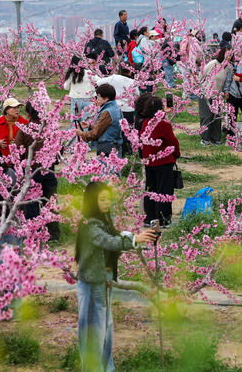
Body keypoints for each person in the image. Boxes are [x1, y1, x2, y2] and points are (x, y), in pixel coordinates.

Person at [75, 182, 157, 371]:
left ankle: (106, 367)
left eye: (108, 199)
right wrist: (134, 239)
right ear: (92, 201)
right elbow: (109, 241)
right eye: (102, 199)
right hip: (93, 284)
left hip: (102, 281)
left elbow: (113, 239)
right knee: (94, 330)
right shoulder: (89, 225)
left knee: (105, 327)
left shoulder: (101, 220)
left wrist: (132, 238)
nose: (107, 203)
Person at [14, 102, 60, 238]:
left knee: (32, 202)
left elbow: (17, 151)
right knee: (50, 200)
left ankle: (34, 234)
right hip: (48, 168)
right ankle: (53, 233)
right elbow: (59, 148)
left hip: (31, 170)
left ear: (28, 114)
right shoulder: (50, 129)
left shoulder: (25, 129)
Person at [139, 96, 181, 226]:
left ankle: (149, 218)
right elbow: (173, 142)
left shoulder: (146, 123)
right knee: (164, 191)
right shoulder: (164, 125)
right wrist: (176, 154)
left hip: (149, 162)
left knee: (151, 190)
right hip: (163, 163)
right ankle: (163, 220)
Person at [97, 68, 137, 156]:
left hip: (113, 108)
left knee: (112, 131)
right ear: (130, 71)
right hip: (127, 109)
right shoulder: (132, 82)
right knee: (126, 132)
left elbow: (98, 82)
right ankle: (126, 152)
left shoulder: (113, 78)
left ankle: (112, 153)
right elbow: (137, 95)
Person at [76, 84, 123, 157]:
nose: (97, 99)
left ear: (106, 98)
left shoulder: (107, 112)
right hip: (115, 144)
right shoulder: (116, 108)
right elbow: (107, 128)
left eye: (99, 96)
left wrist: (81, 134)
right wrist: (90, 126)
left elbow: (96, 133)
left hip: (107, 146)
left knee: (105, 164)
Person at [199, 47, 231, 146]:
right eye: (227, 54)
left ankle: (216, 138)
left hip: (217, 96)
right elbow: (201, 74)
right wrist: (201, 87)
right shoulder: (213, 63)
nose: (229, 56)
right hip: (206, 93)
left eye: (231, 55)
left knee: (217, 117)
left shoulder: (228, 67)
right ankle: (205, 138)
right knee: (207, 116)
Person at [223, 50, 242, 137]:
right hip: (233, 94)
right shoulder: (236, 66)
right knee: (231, 115)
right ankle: (230, 135)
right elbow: (229, 79)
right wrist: (226, 90)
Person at [64, 56, 97, 123]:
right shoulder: (90, 73)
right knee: (87, 121)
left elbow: (66, 87)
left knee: (75, 122)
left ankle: (74, 130)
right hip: (89, 99)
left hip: (76, 99)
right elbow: (100, 82)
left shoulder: (72, 74)